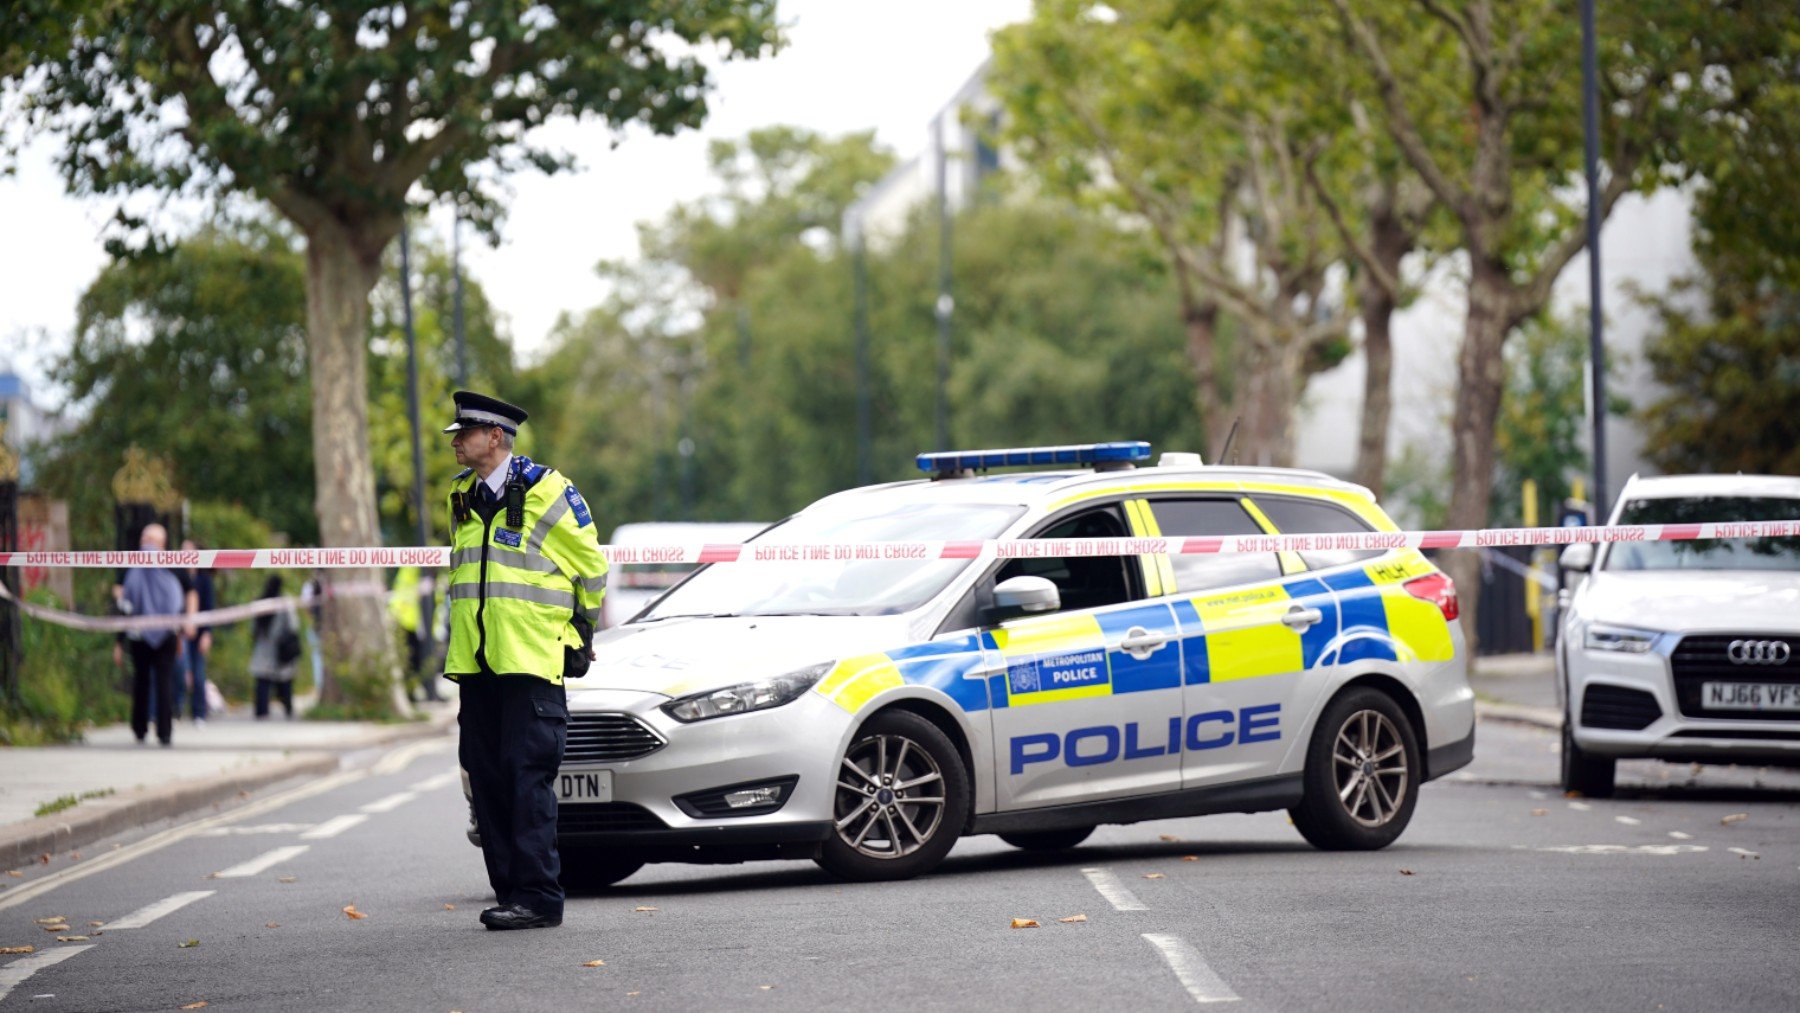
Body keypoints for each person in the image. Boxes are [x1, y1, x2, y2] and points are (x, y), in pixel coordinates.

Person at [443, 390, 607, 932]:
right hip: (476, 663)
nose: (457, 442)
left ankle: (539, 895)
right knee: (488, 782)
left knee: (527, 778)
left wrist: (578, 629)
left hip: (532, 661)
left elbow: (591, 567)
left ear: (495, 437)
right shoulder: (461, 496)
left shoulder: (549, 491)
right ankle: (510, 893)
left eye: (465, 433)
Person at [112, 523, 196, 747]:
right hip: (142, 633)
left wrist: (189, 621)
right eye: (144, 539)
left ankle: (161, 731)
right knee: (144, 681)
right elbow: (123, 601)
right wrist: (119, 641)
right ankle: (145, 729)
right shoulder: (131, 564)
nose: (146, 544)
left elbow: (188, 592)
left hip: (164, 633)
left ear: (162, 544)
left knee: (161, 681)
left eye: (150, 540)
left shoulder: (171, 565)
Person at [249, 575, 300, 718]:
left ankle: (261, 711)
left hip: (263, 648)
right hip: (280, 648)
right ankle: (288, 709)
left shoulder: (260, 602)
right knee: (284, 682)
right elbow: (293, 626)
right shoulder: (285, 602)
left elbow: (253, 628)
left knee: (263, 682)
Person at [178, 538, 216, 725]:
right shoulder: (177, 576)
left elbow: (209, 607)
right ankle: (177, 709)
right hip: (179, 632)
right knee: (179, 672)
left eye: (188, 550)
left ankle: (199, 712)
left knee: (198, 673)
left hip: (199, 632)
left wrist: (207, 633)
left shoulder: (204, 579)